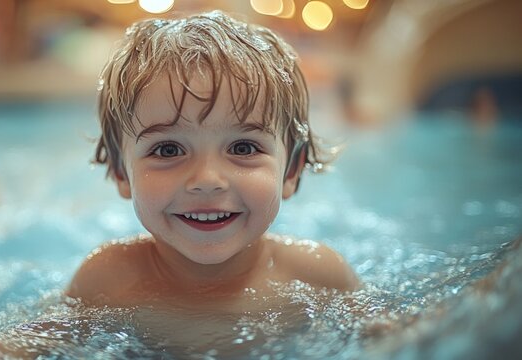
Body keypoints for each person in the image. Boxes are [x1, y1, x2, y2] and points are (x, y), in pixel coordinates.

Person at [67, 10, 359, 306]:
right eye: (168, 150)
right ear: (120, 173)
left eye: (243, 148)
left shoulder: (319, 277)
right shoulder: (106, 281)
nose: (207, 180)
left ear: (291, 171)